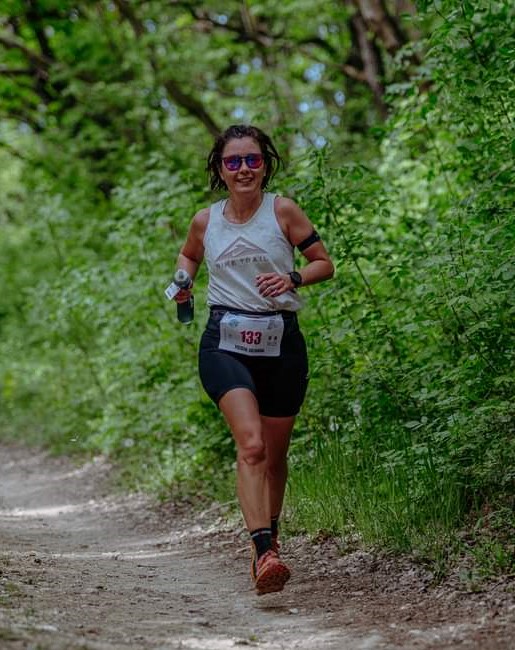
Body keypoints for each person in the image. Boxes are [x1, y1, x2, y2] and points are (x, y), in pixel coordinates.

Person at [174, 124, 334, 595]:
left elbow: (324, 262)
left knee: (276, 455)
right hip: (224, 342)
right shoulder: (205, 220)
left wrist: (293, 278)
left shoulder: (282, 211)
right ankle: (263, 550)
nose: (243, 169)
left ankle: (271, 538)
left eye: (252, 160)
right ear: (220, 169)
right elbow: (188, 256)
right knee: (252, 446)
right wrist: (183, 280)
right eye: (233, 162)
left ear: (265, 165)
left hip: (280, 342)